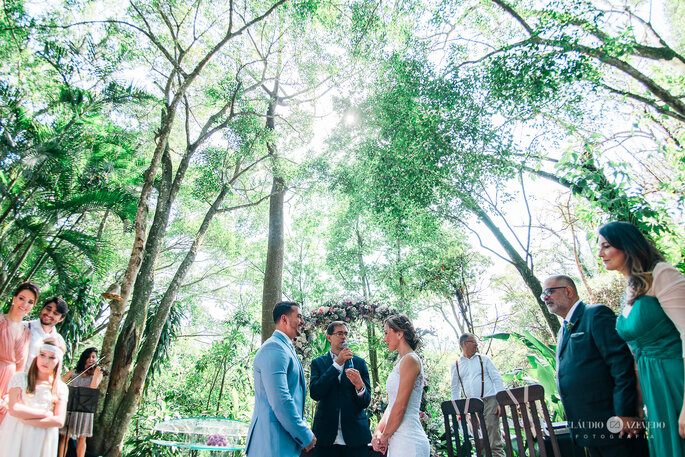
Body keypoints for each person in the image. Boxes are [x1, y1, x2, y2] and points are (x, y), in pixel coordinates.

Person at [599, 220, 685, 456]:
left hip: (677, 378)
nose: (600, 253)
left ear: (627, 245)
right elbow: (636, 355)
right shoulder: (630, 290)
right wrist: (636, 408)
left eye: (606, 246)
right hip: (652, 387)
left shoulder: (662, 274)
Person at [542, 274, 648, 457]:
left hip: (615, 426)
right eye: (543, 294)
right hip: (589, 431)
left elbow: (621, 366)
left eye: (549, 291)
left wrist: (626, 413)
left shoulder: (596, 314)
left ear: (568, 291)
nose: (545, 298)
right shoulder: (562, 331)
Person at [245, 301, 315, 457]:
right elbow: (281, 401)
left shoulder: (285, 348)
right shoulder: (274, 348)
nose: (302, 322)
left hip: (283, 443)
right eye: (299, 316)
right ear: (284, 319)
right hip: (272, 444)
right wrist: (304, 435)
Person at [310, 321, 372, 456]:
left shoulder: (359, 363)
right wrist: (337, 364)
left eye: (345, 334)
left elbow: (365, 402)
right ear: (329, 338)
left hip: (355, 438)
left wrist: (360, 386)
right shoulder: (318, 363)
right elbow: (315, 393)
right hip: (326, 438)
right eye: (339, 333)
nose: (343, 337)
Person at [372, 314, 429, 457]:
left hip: (409, 441)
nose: (384, 339)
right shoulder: (400, 362)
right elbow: (392, 404)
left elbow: (401, 406)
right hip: (397, 440)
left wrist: (384, 437)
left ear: (399, 333)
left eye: (386, 333)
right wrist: (378, 432)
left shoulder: (411, 360)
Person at [0, 341, 68, 457]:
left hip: (41, 437)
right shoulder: (20, 378)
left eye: (52, 358)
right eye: (42, 355)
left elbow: (59, 421)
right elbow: (14, 409)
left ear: (58, 362)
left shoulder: (61, 388)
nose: (45, 361)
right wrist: (46, 414)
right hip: (15, 433)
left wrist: (28, 420)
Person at [451, 333, 506, 457]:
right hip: (470, 406)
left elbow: (497, 379)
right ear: (464, 344)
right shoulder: (456, 365)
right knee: (479, 441)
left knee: (494, 439)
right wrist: (459, 410)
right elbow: (455, 388)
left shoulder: (484, 359)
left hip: (489, 401)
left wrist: (500, 402)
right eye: (473, 341)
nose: (476, 344)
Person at [0, 282, 40, 425]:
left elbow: (20, 370)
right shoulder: (0, 320)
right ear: (14, 298)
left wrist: (8, 397)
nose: (24, 304)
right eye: (22, 298)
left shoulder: (27, 333)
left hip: (7, 390)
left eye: (30, 302)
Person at [58, 347, 104, 457]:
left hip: (85, 408)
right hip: (71, 406)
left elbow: (93, 387)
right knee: (65, 436)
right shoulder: (74, 372)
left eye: (93, 357)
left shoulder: (97, 374)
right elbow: (60, 382)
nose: (91, 359)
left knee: (82, 437)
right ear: (84, 358)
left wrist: (96, 374)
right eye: (89, 357)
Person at [24, 297, 68, 370]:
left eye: (55, 313)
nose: (49, 314)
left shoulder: (58, 340)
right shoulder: (24, 327)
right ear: (43, 308)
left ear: (61, 319)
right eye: (48, 309)